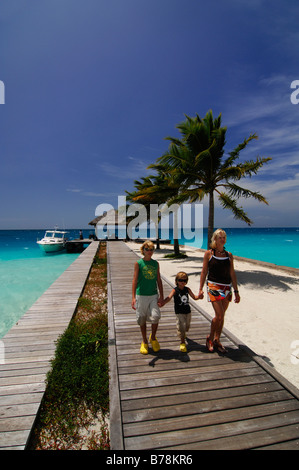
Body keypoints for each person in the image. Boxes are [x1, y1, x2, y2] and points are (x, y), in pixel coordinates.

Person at [199, 229, 240, 353]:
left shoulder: (229, 255)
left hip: (227, 287)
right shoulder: (209, 254)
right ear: (215, 239)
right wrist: (200, 289)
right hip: (214, 286)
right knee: (219, 315)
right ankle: (210, 338)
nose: (222, 239)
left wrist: (236, 291)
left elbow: (232, 273)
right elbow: (204, 272)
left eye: (224, 237)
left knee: (222, 317)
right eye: (220, 237)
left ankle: (217, 340)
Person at [132, 240, 164, 355]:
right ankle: (144, 340)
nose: (149, 252)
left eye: (151, 250)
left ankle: (153, 337)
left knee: (155, 316)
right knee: (141, 318)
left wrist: (162, 296)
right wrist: (133, 297)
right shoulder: (138, 263)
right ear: (143, 250)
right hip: (141, 295)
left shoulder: (155, 264)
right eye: (147, 249)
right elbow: (135, 280)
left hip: (153, 295)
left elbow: (159, 280)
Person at [162, 272, 201, 353]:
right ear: (176, 281)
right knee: (181, 326)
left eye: (184, 280)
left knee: (187, 326)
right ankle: (182, 342)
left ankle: (183, 334)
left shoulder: (187, 289)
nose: (182, 282)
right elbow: (169, 297)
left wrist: (199, 296)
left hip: (187, 311)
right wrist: (163, 302)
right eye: (180, 280)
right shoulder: (175, 290)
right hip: (179, 312)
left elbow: (194, 297)